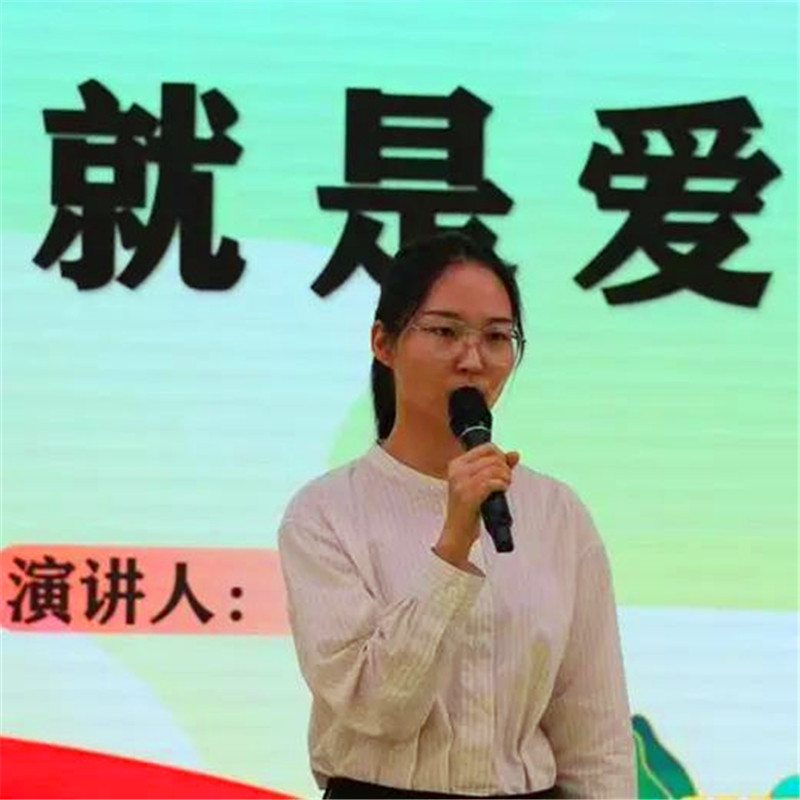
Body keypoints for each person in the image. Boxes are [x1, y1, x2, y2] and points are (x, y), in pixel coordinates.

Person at [278, 232, 636, 799]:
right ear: (383, 342)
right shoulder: (325, 513)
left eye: (496, 337)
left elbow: (595, 736)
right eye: (445, 332)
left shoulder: (557, 514)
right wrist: (452, 547)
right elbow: (377, 709)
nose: (473, 359)